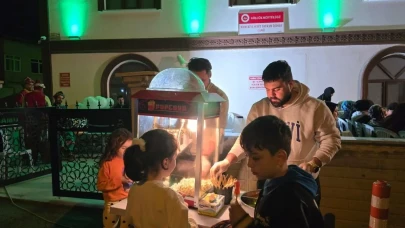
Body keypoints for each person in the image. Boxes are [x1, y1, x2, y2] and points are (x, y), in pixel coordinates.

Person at [211, 60, 341, 206]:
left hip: (302, 180)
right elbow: (245, 139)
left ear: (290, 84)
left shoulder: (315, 108)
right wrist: (227, 161)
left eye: (277, 89)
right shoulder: (259, 108)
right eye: (267, 89)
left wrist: (314, 163)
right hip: (267, 179)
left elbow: (332, 139)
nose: (271, 94)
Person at [213, 116, 324, 228]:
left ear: (279, 158)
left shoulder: (291, 199)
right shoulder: (275, 182)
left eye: (256, 158)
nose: (249, 164)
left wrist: (242, 222)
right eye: (248, 156)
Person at [124, 129, 197, 228]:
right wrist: (185, 211)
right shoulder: (170, 197)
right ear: (165, 162)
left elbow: (129, 221)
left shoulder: (134, 190)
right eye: (175, 157)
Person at [186, 58, 229, 177]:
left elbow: (217, 129)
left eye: (202, 80)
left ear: (210, 74)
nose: (198, 85)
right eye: (194, 81)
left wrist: (203, 156)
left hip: (210, 150)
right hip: (189, 148)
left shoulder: (219, 97)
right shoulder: (186, 92)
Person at [97, 128, 133, 228]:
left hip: (128, 200)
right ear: (114, 147)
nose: (127, 151)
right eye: (123, 148)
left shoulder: (130, 160)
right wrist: (119, 180)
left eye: (129, 148)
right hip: (112, 203)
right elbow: (100, 185)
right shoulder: (107, 164)